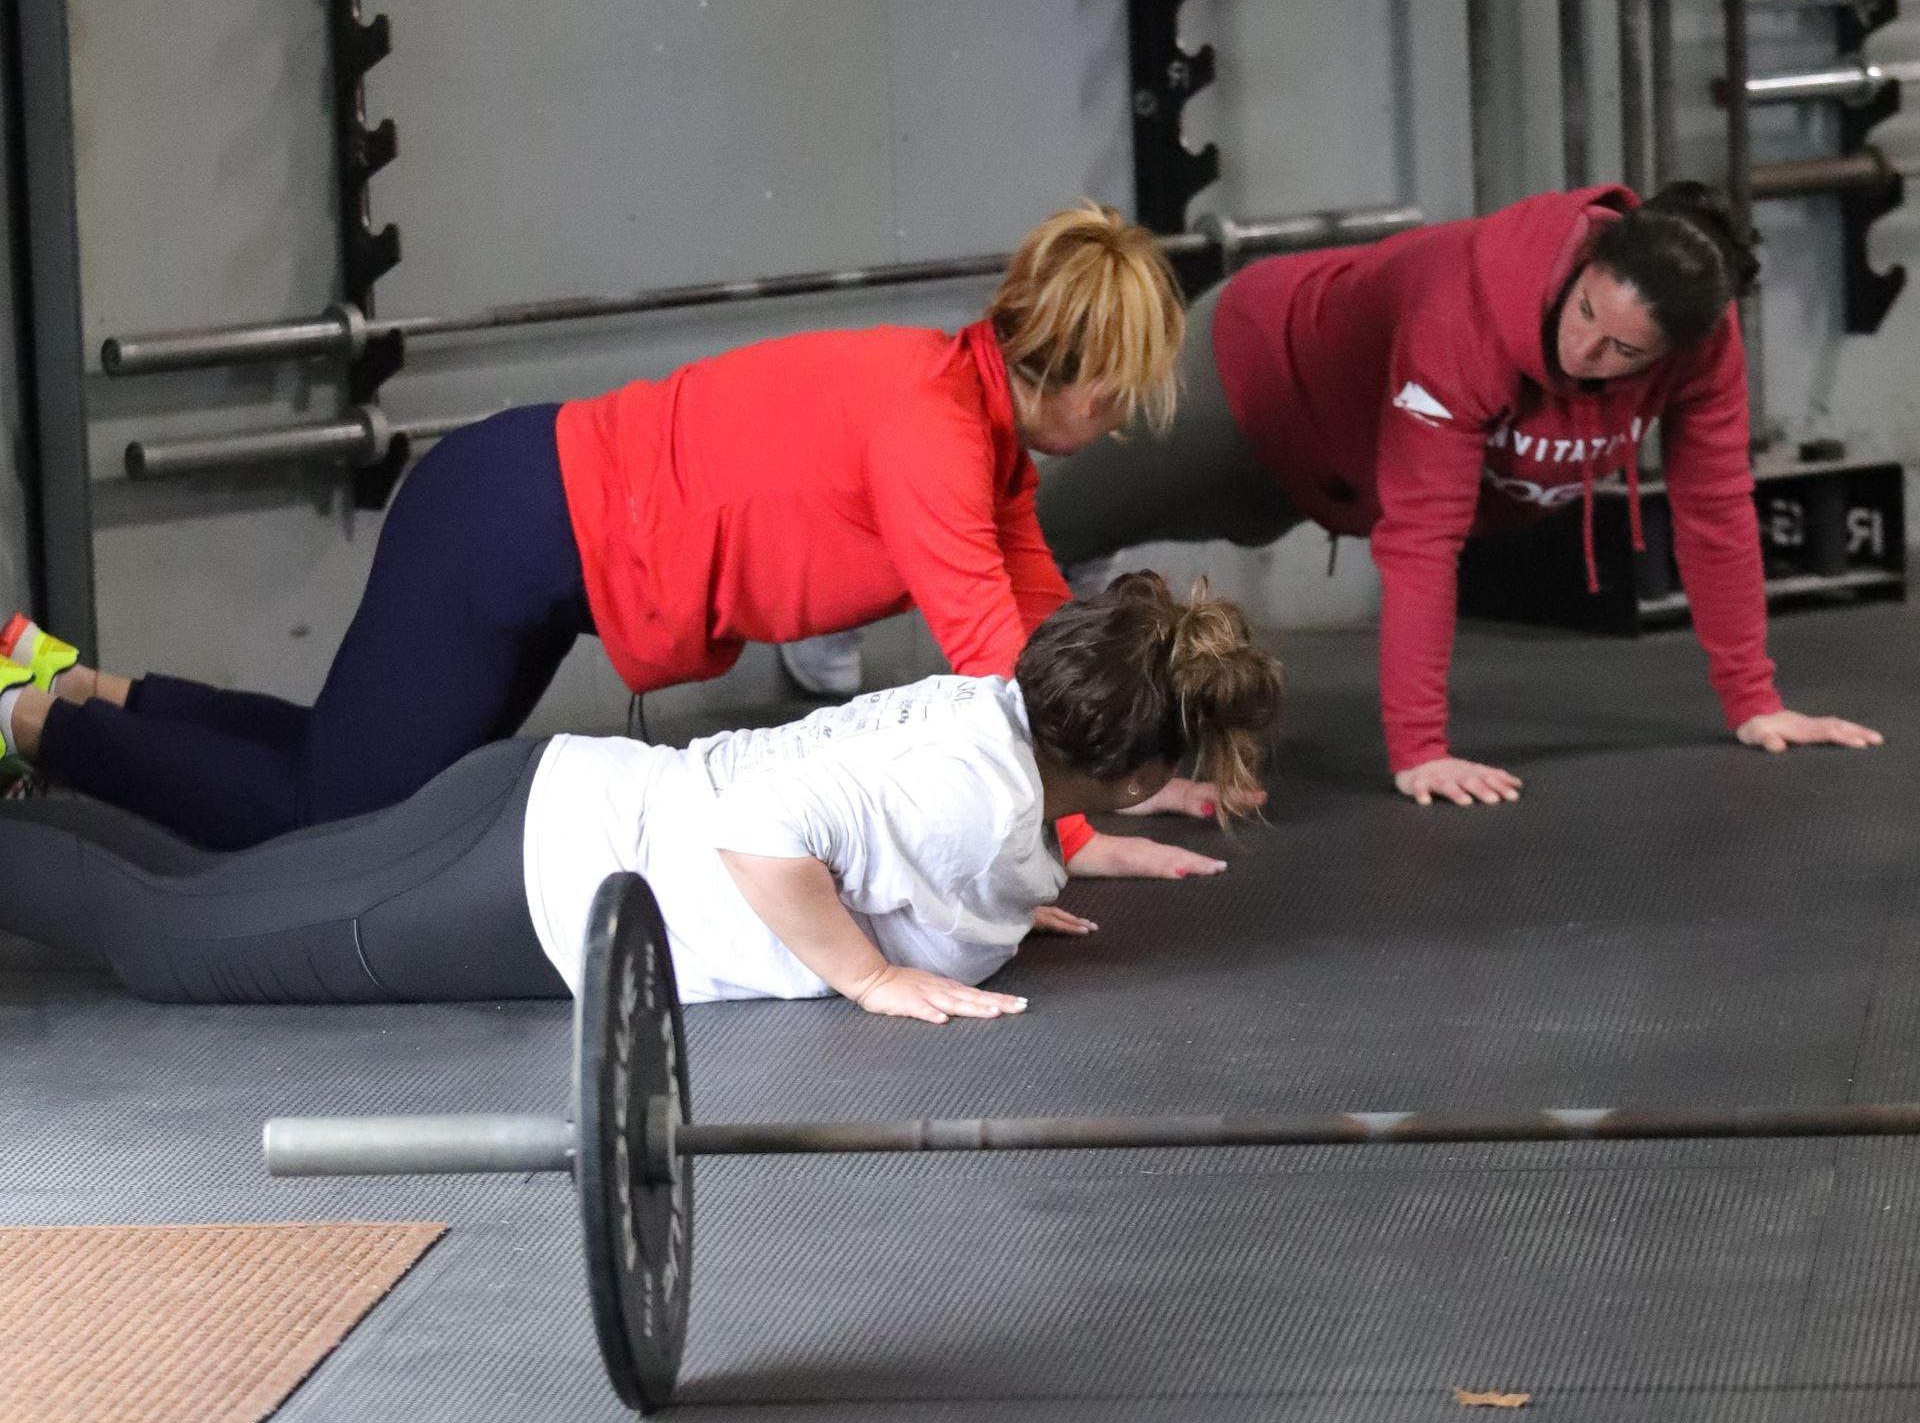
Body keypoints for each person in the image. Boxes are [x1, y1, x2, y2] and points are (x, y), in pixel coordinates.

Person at [0, 203, 1226, 870]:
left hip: (528, 528)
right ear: (1062, 367)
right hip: (511, 525)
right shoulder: (932, 432)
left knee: (350, 772)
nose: (1119, 425)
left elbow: (1036, 627)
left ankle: (71, 684)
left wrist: (1138, 759)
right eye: (1117, 396)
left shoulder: (975, 422)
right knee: (325, 824)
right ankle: (22, 719)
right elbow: (985, 671)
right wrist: (1069, 834)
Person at [0, 575, 1283, 1024]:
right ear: (1128, 773)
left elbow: (882, 825)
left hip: (543, 800)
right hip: (523, 888)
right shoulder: (981, 810)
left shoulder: (981, 712)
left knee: (208, 896)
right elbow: (763, 836)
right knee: (167, 943)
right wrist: (871, 977)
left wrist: (1003, 901)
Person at [1029, 182, 1882, 806]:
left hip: (1331, 478)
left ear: (1676, 350)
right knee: (1039, 519)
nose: (1587, 354)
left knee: (1230, 525)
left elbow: (1717, 510)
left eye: (1625, 351)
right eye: (1586, 312)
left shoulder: (1704, 348)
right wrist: (1421, 750)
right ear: (1584, 264)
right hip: (1250, 380)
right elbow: (1425, 537)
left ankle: (1083, 572)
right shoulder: (1465, 307)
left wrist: (1755, 700)